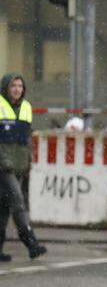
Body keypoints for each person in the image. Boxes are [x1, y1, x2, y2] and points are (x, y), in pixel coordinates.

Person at [0, 73, 46, 260]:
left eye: (20, 86)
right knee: (18, 201)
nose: (17, 89)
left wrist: (29, 161)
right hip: (3, 166)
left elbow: (26, 139)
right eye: (13, 86)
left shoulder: (26, 107)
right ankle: (30, 243)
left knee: (3, 207)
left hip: (19, 165)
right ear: (6, 87)